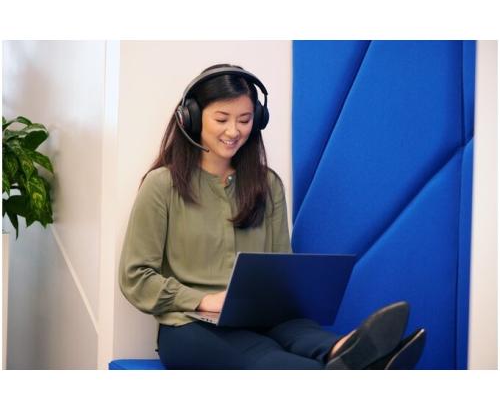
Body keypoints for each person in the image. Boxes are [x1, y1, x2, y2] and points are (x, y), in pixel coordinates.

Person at [118, 64, 426, 369]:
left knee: (305, 334)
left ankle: (348, 350)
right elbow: (136, 277)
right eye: (222, 119)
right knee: (268, 357)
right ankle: (365, 370)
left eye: (244, 120)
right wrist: (203, 300)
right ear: (192, 117)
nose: (233, 131)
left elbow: (281, 271)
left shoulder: (267, 184)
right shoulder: (162, 185)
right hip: (189, 326)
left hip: (260, 318)